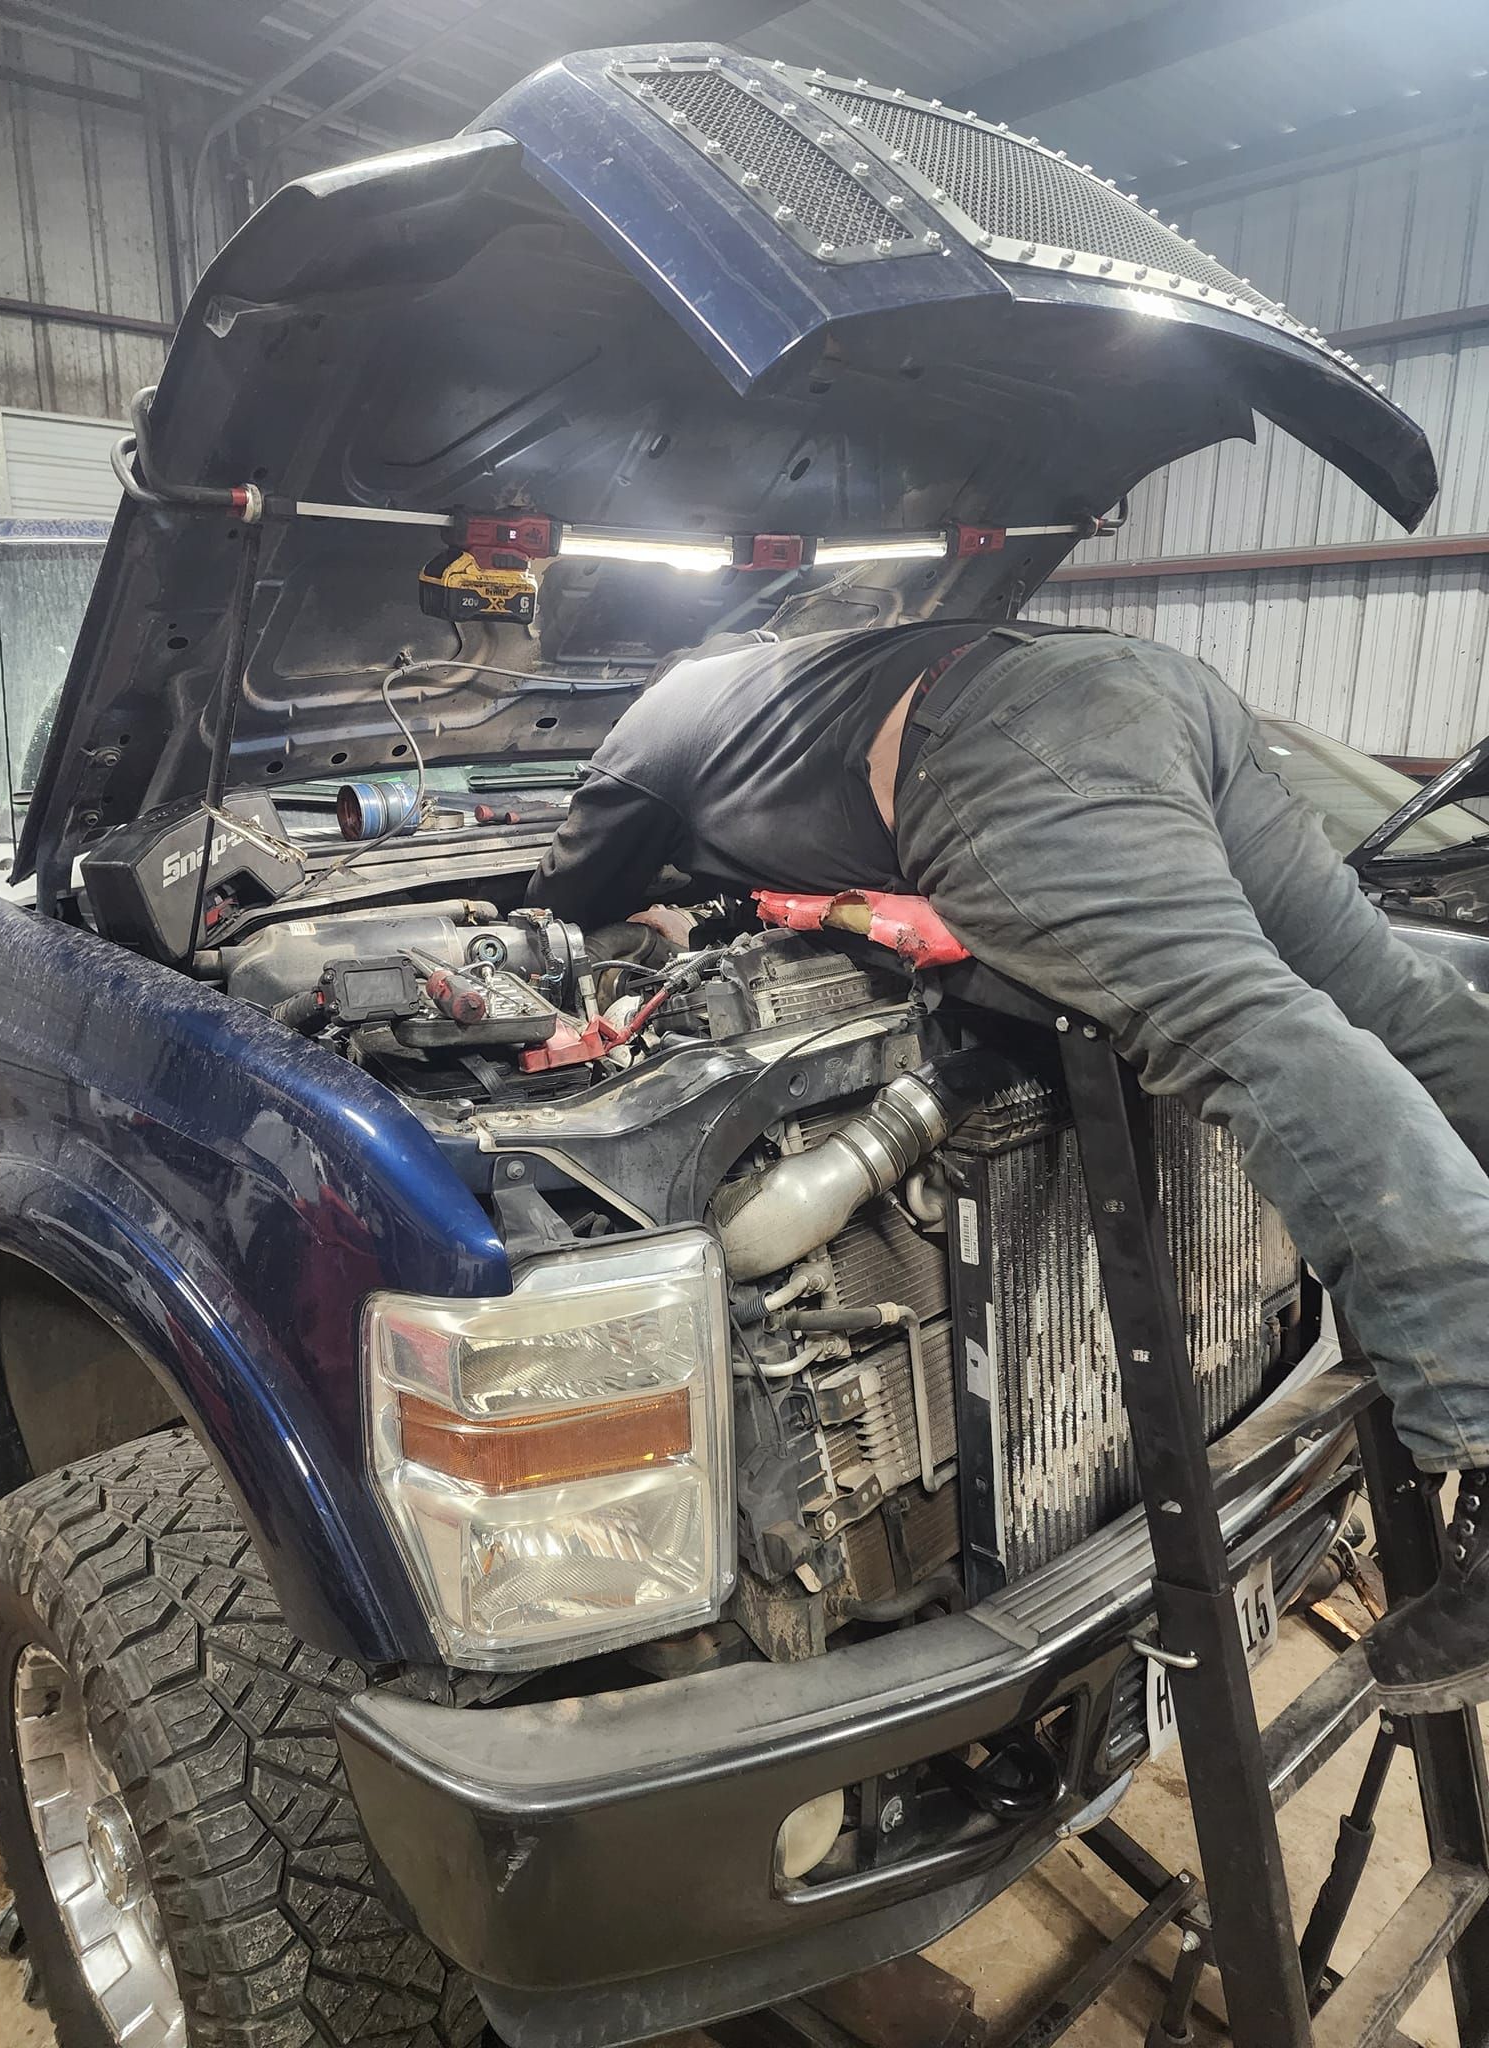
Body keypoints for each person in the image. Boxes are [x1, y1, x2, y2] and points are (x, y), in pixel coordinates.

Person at [527, 618, 1489, 1712]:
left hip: (1001, 749)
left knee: (1249, 1032)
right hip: (1146, 687)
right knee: (1386, 992)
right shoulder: (794, 671)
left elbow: (563, 902)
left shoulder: (656, 721)